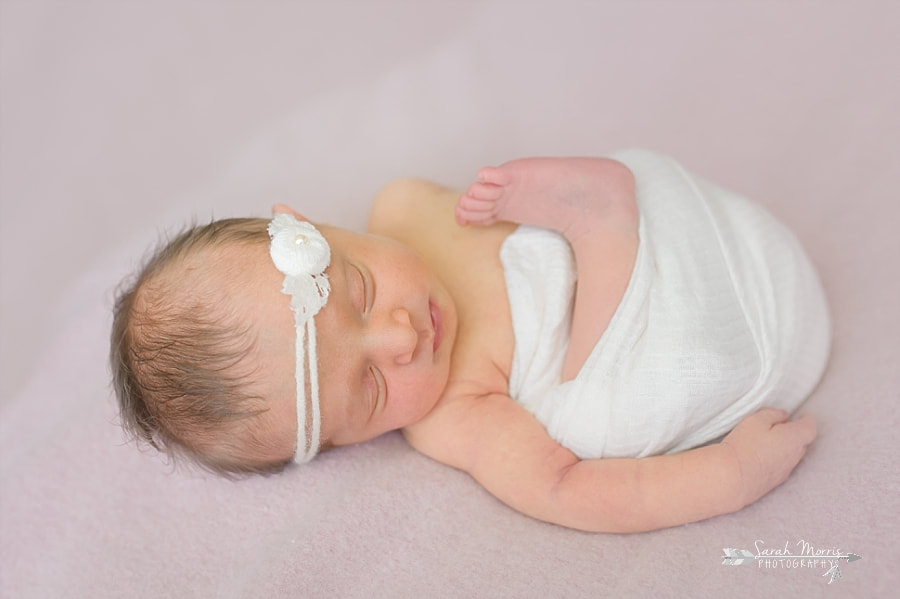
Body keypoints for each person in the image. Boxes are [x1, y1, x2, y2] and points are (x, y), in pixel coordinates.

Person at [110, 149, 829, 533]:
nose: (400, 335)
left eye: (358, 291)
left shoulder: (404, 207)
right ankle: (600, 227)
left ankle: (600, 227)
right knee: (583, 434)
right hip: (694, 296)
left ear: (316, 227)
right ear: (346, 442)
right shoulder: (452, 413)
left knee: (590, 417)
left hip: (683, 234)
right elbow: (568, 489)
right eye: (371, 387)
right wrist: (732, 474)